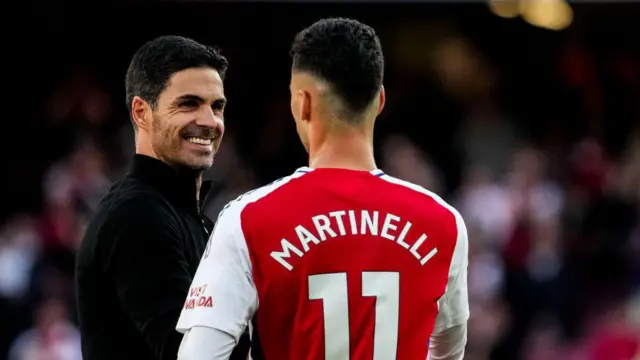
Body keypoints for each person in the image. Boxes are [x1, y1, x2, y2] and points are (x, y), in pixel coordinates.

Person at [176, 18, 469, 360]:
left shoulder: (250, 220)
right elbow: (448, 351)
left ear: (302, 103)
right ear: (380, 100)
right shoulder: (442, 223)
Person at [75, 35, 249, 360]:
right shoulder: (138, 215)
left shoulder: (189, 217)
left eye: (217, 106)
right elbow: (191, 352)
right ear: (142, 112)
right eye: (188, 103)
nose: (210, 121)